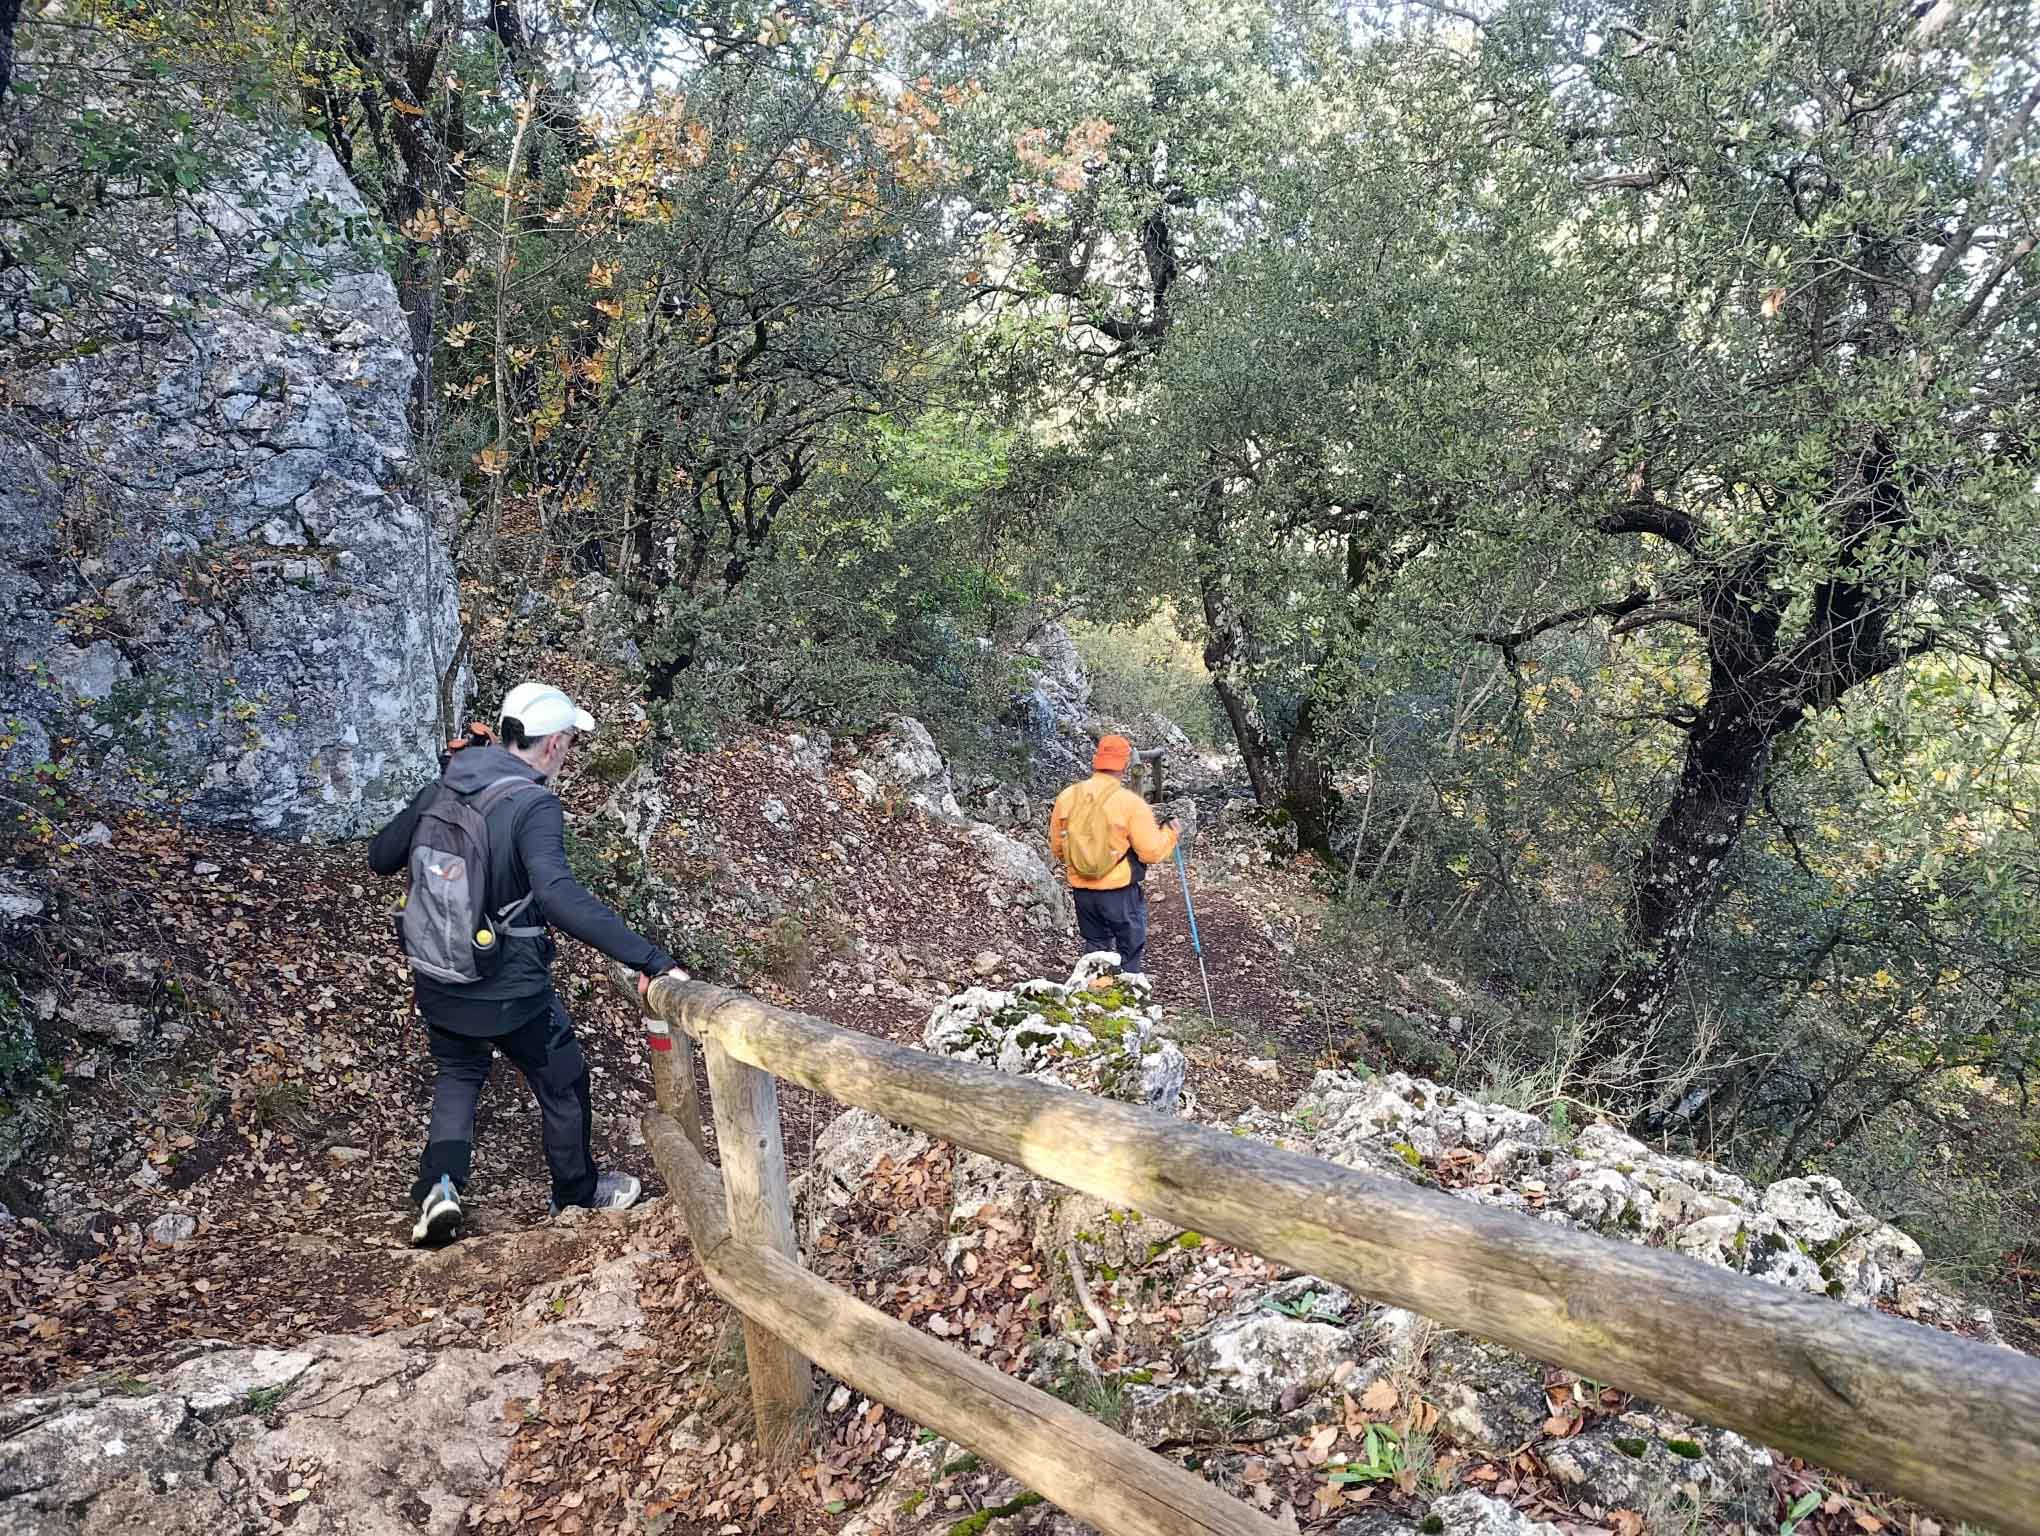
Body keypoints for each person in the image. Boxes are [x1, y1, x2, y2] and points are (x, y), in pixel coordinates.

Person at [369, 682, 686, 1245]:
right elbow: (559, 896)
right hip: (509, 987)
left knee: (460, 1074)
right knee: (562, 1081)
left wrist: (436, 790)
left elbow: (381, 856)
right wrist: (652, 959)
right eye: (569, 742)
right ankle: (576, 1194)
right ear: (554, 743)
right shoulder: (533, 804)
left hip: (439, 973)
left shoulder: (450, 780)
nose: (567, 753)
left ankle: (439, 1188)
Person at [1047, 734, 1180, 988]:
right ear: (1124, 765)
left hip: (1082, 892)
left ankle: (1097, 998)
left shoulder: (1068, 797)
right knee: (1129, 947)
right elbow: (1150, 852)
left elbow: (1058, 847)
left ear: (1096, 761)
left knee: (1095, 947)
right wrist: (1170, 834)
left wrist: (1085, 862)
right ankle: (1125, 996)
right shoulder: (1129, 803)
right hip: (1120, 893)